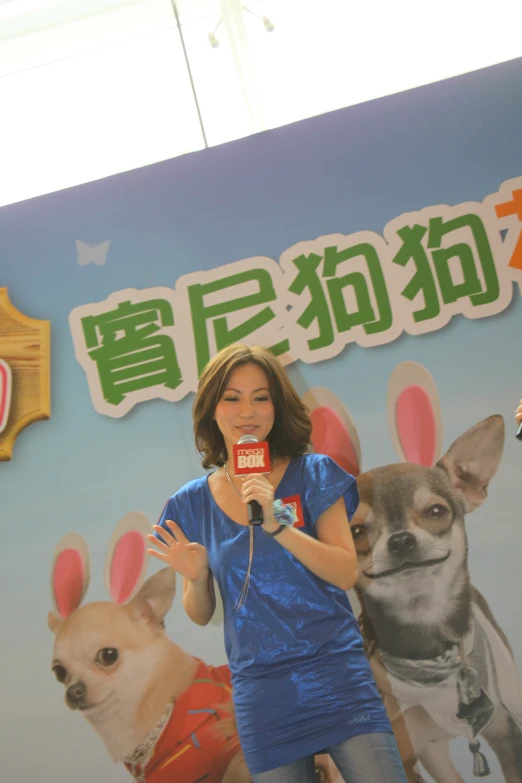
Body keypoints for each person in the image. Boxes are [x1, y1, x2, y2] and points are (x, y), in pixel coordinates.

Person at [148, 344, 407, 783]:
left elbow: (345, 571)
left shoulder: (314, 473)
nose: (247, 410)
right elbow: (201, 612)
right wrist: (197, 578)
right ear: (212, 409)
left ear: (277, 405)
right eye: (232, 397)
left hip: (335, 674)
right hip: (263, 693)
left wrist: (277, 523)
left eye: (261, 396)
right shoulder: (189, 503)